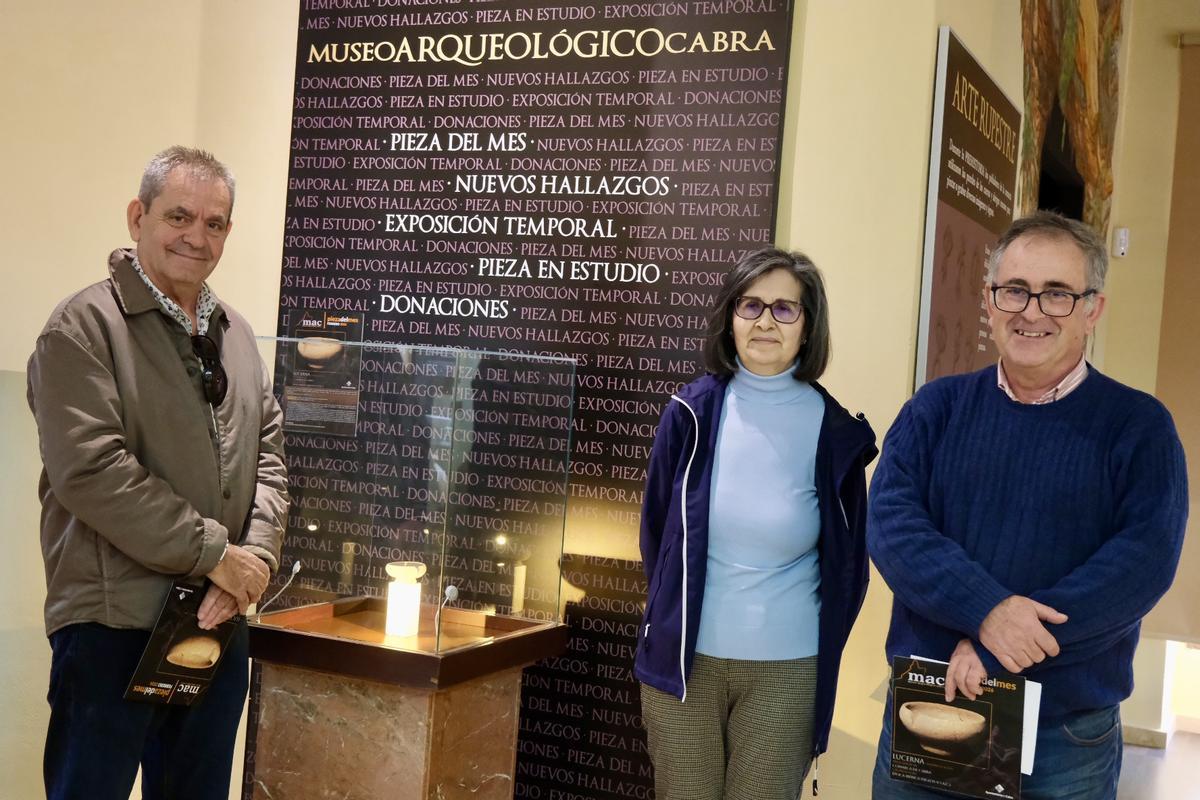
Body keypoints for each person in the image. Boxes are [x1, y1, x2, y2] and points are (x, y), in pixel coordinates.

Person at [867, 211, 1188, 799]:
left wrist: (998, 643)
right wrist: (985, 609)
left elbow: (1141, 563)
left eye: (1057, 294)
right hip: (932, 706)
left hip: (1065, 734)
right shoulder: (934, 409)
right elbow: (892, 527)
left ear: (1093, 309)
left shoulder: (1139, 427)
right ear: (989, 300)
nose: (1031, 311)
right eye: (1014, 290)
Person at [26, 146, 289, 800]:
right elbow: (91, 472)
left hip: (213, 625)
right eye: (179, 216)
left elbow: (272, 460)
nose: (197, 237)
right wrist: (214, 554)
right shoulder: (82, 327)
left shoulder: (236, 337)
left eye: (216, 223)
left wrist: (249, 563)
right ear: (137, 216)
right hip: (112, 629)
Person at [634, 247, 878, 800]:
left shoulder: (837, 434)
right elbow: (657, 535)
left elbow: (849, 566)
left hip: (787, 672)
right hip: (684, 664)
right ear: (730, 317)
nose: (766, 321)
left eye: (785, 309)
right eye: (751, 305)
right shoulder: (689, 412)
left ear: (807, 326)